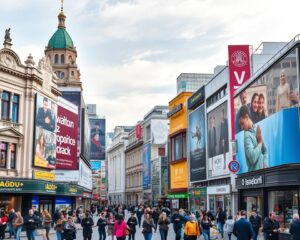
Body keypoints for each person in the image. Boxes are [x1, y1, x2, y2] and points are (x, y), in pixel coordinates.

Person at [239, 105, 268, 171]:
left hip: (263, 174)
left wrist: (265, 164)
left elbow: (265, 151)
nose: (241, 127)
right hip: (254, 177)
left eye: (242, 123)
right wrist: (260, 143)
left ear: (247, 117)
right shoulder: (247, 135)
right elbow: (252, 158)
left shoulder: (256, 130)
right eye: (240, 125)